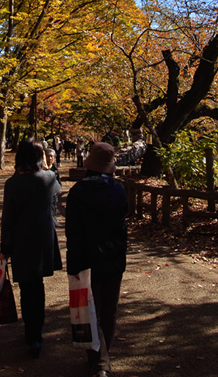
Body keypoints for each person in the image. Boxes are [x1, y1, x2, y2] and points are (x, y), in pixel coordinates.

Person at [66, 142, 127, 377]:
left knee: (89, 309)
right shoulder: (118, 190)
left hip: (85, 260)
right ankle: (103, 357)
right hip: (113, 258)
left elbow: (73, 231)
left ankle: (100, 362)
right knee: (109, 311)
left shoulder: (78, 193)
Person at [0, 138, 62, 358]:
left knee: (27, 288)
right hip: (44, 240)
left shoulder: (12, 184)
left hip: (21, 241)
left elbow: (8, 218)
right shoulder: (49, 177)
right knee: (39, 286)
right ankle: (38, 330)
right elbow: (58, 188)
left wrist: (5, 247)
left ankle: (32, 335)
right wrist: (45, 165)